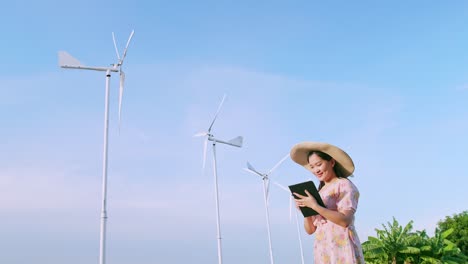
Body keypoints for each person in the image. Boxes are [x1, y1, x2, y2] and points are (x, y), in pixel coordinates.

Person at [290, 141, 365, 264]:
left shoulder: (343, 184)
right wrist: (306, 209)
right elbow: (310, 230)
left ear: (332, 162)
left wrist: (315, 205)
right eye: (312, 167)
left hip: (342, 246)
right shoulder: (318, 192)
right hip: (323, 248)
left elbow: (345, 220)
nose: (316, 170)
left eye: (319, 164)